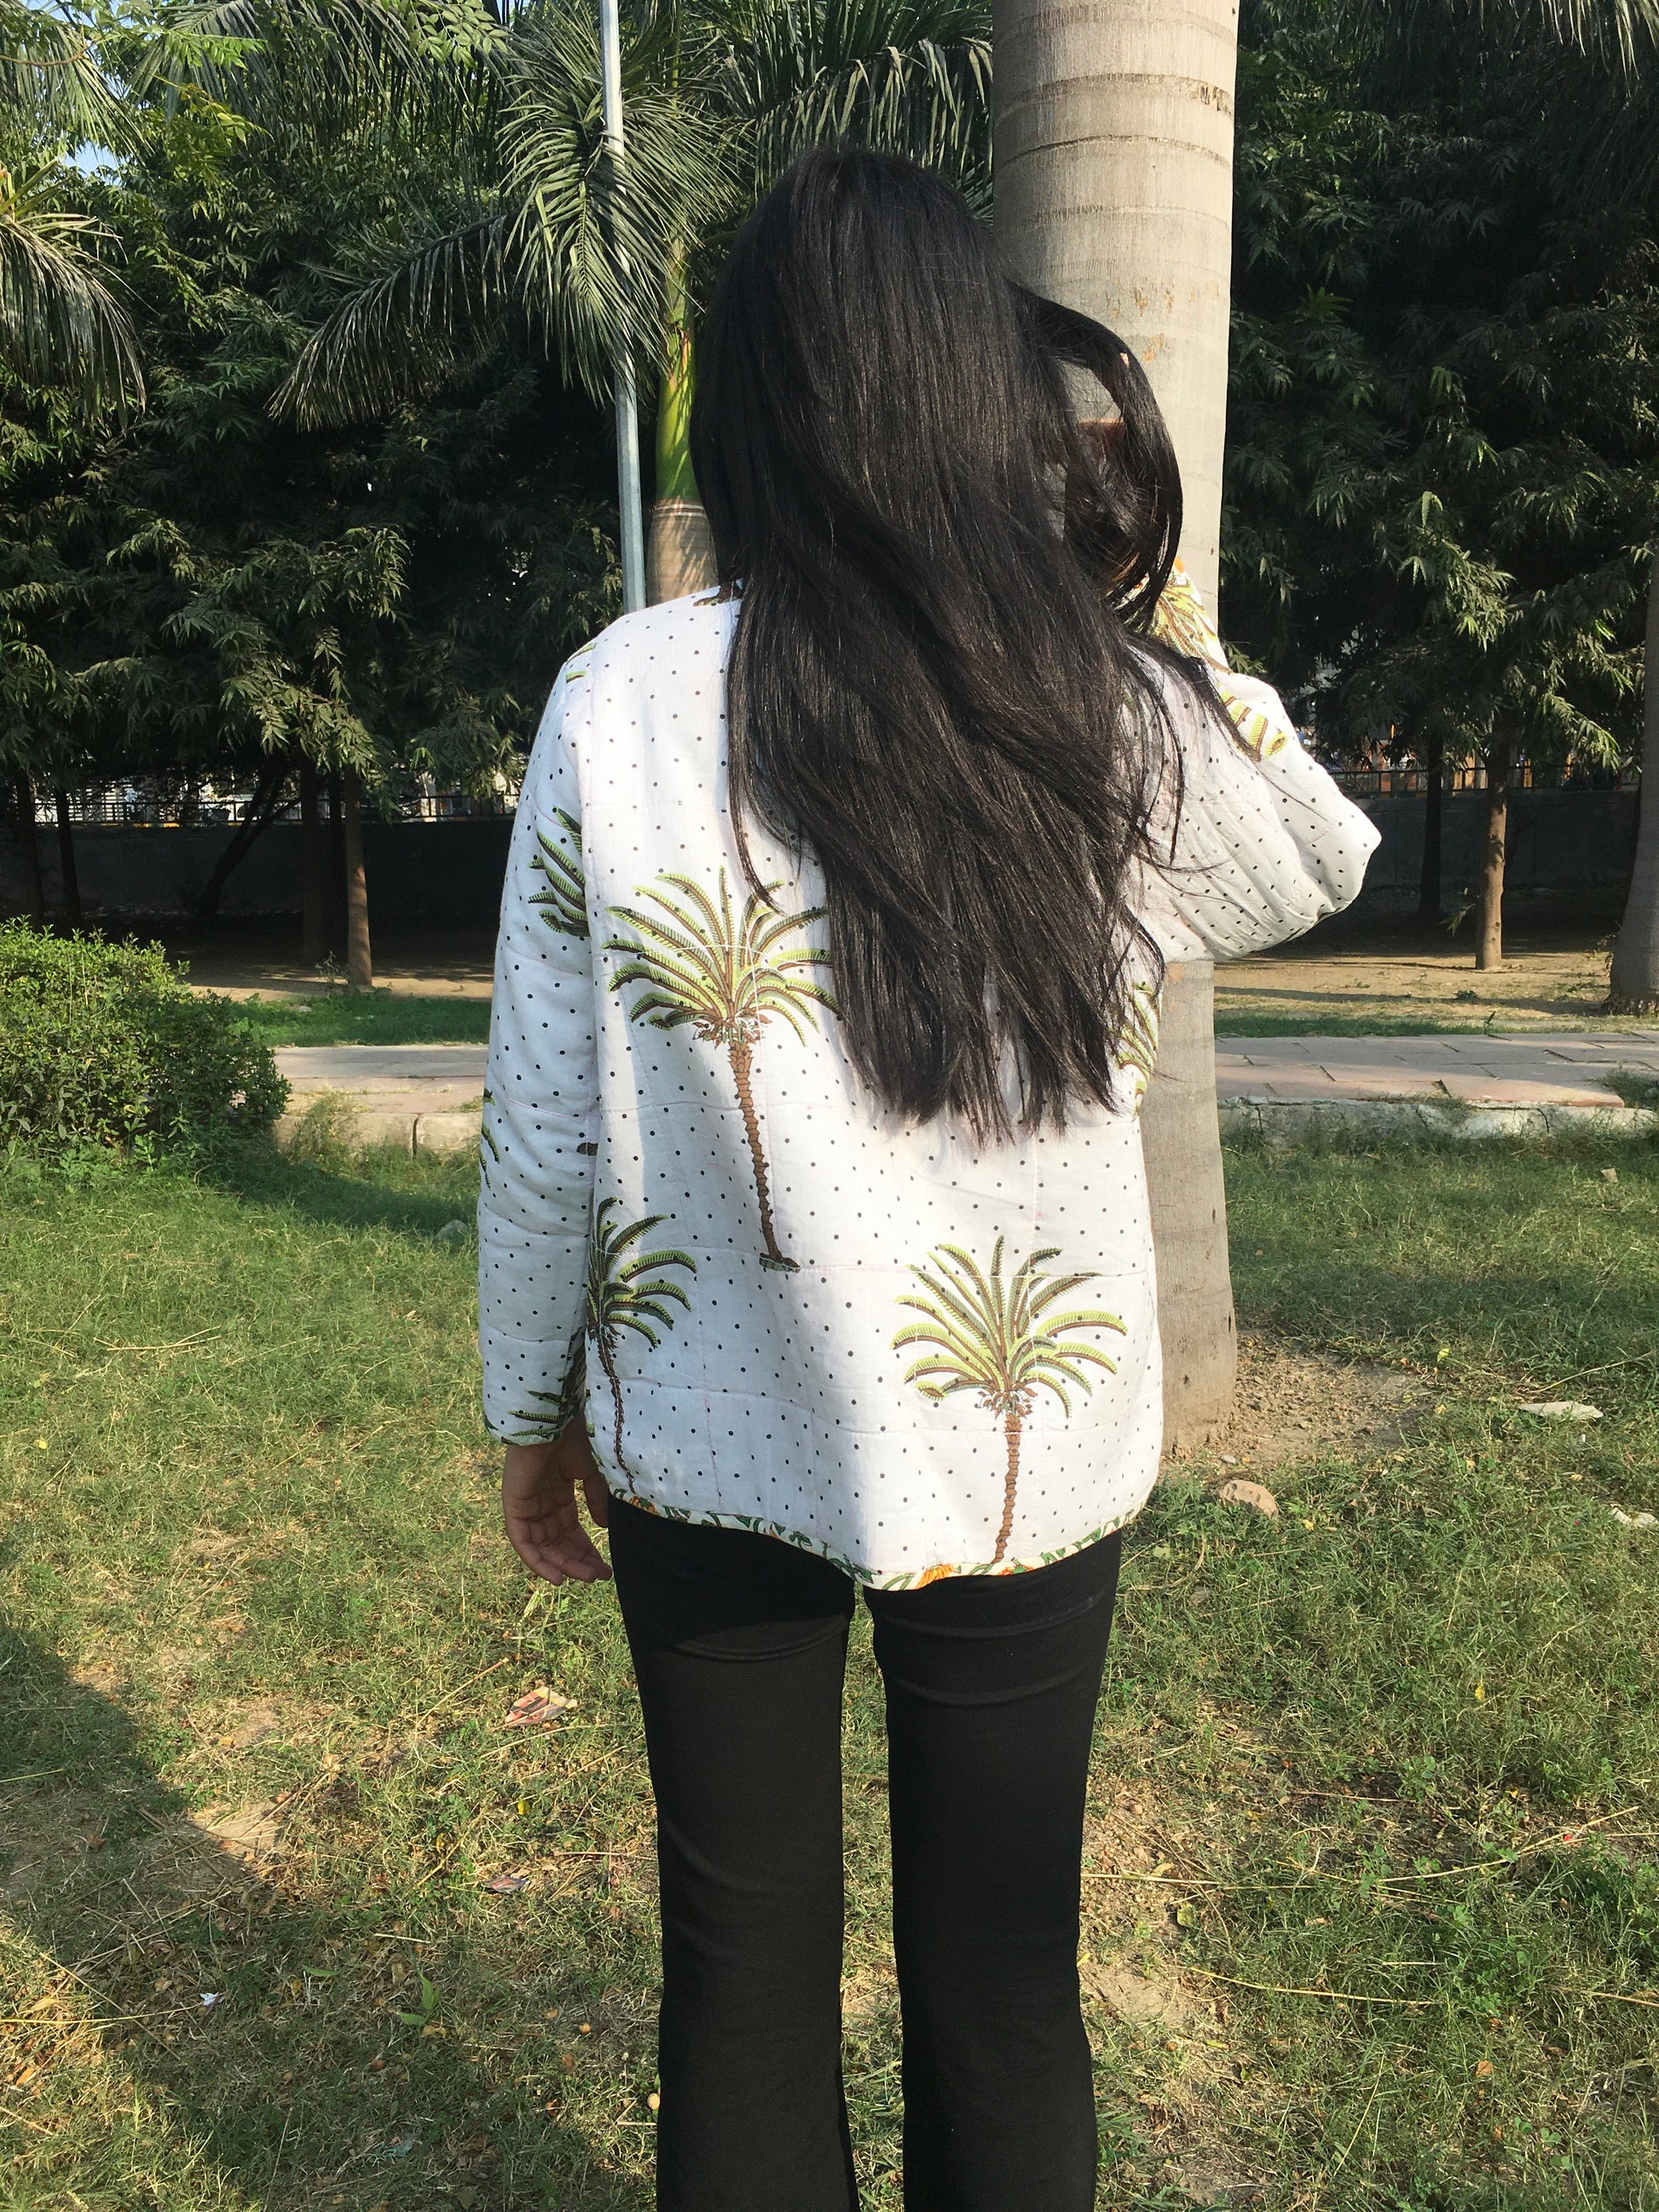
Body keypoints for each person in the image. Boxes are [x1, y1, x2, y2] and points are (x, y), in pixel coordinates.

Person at [479, 148, 1377, 2212]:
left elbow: (545, 1124)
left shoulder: (619, 698)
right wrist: (1124, 587)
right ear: (975, 390)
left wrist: (532, 1413)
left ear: (754, 409)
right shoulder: (1076, 690)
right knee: (1004, 1976)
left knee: (740, 1981)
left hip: (712, 1442)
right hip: (1019, 1455)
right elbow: (1313, 846)